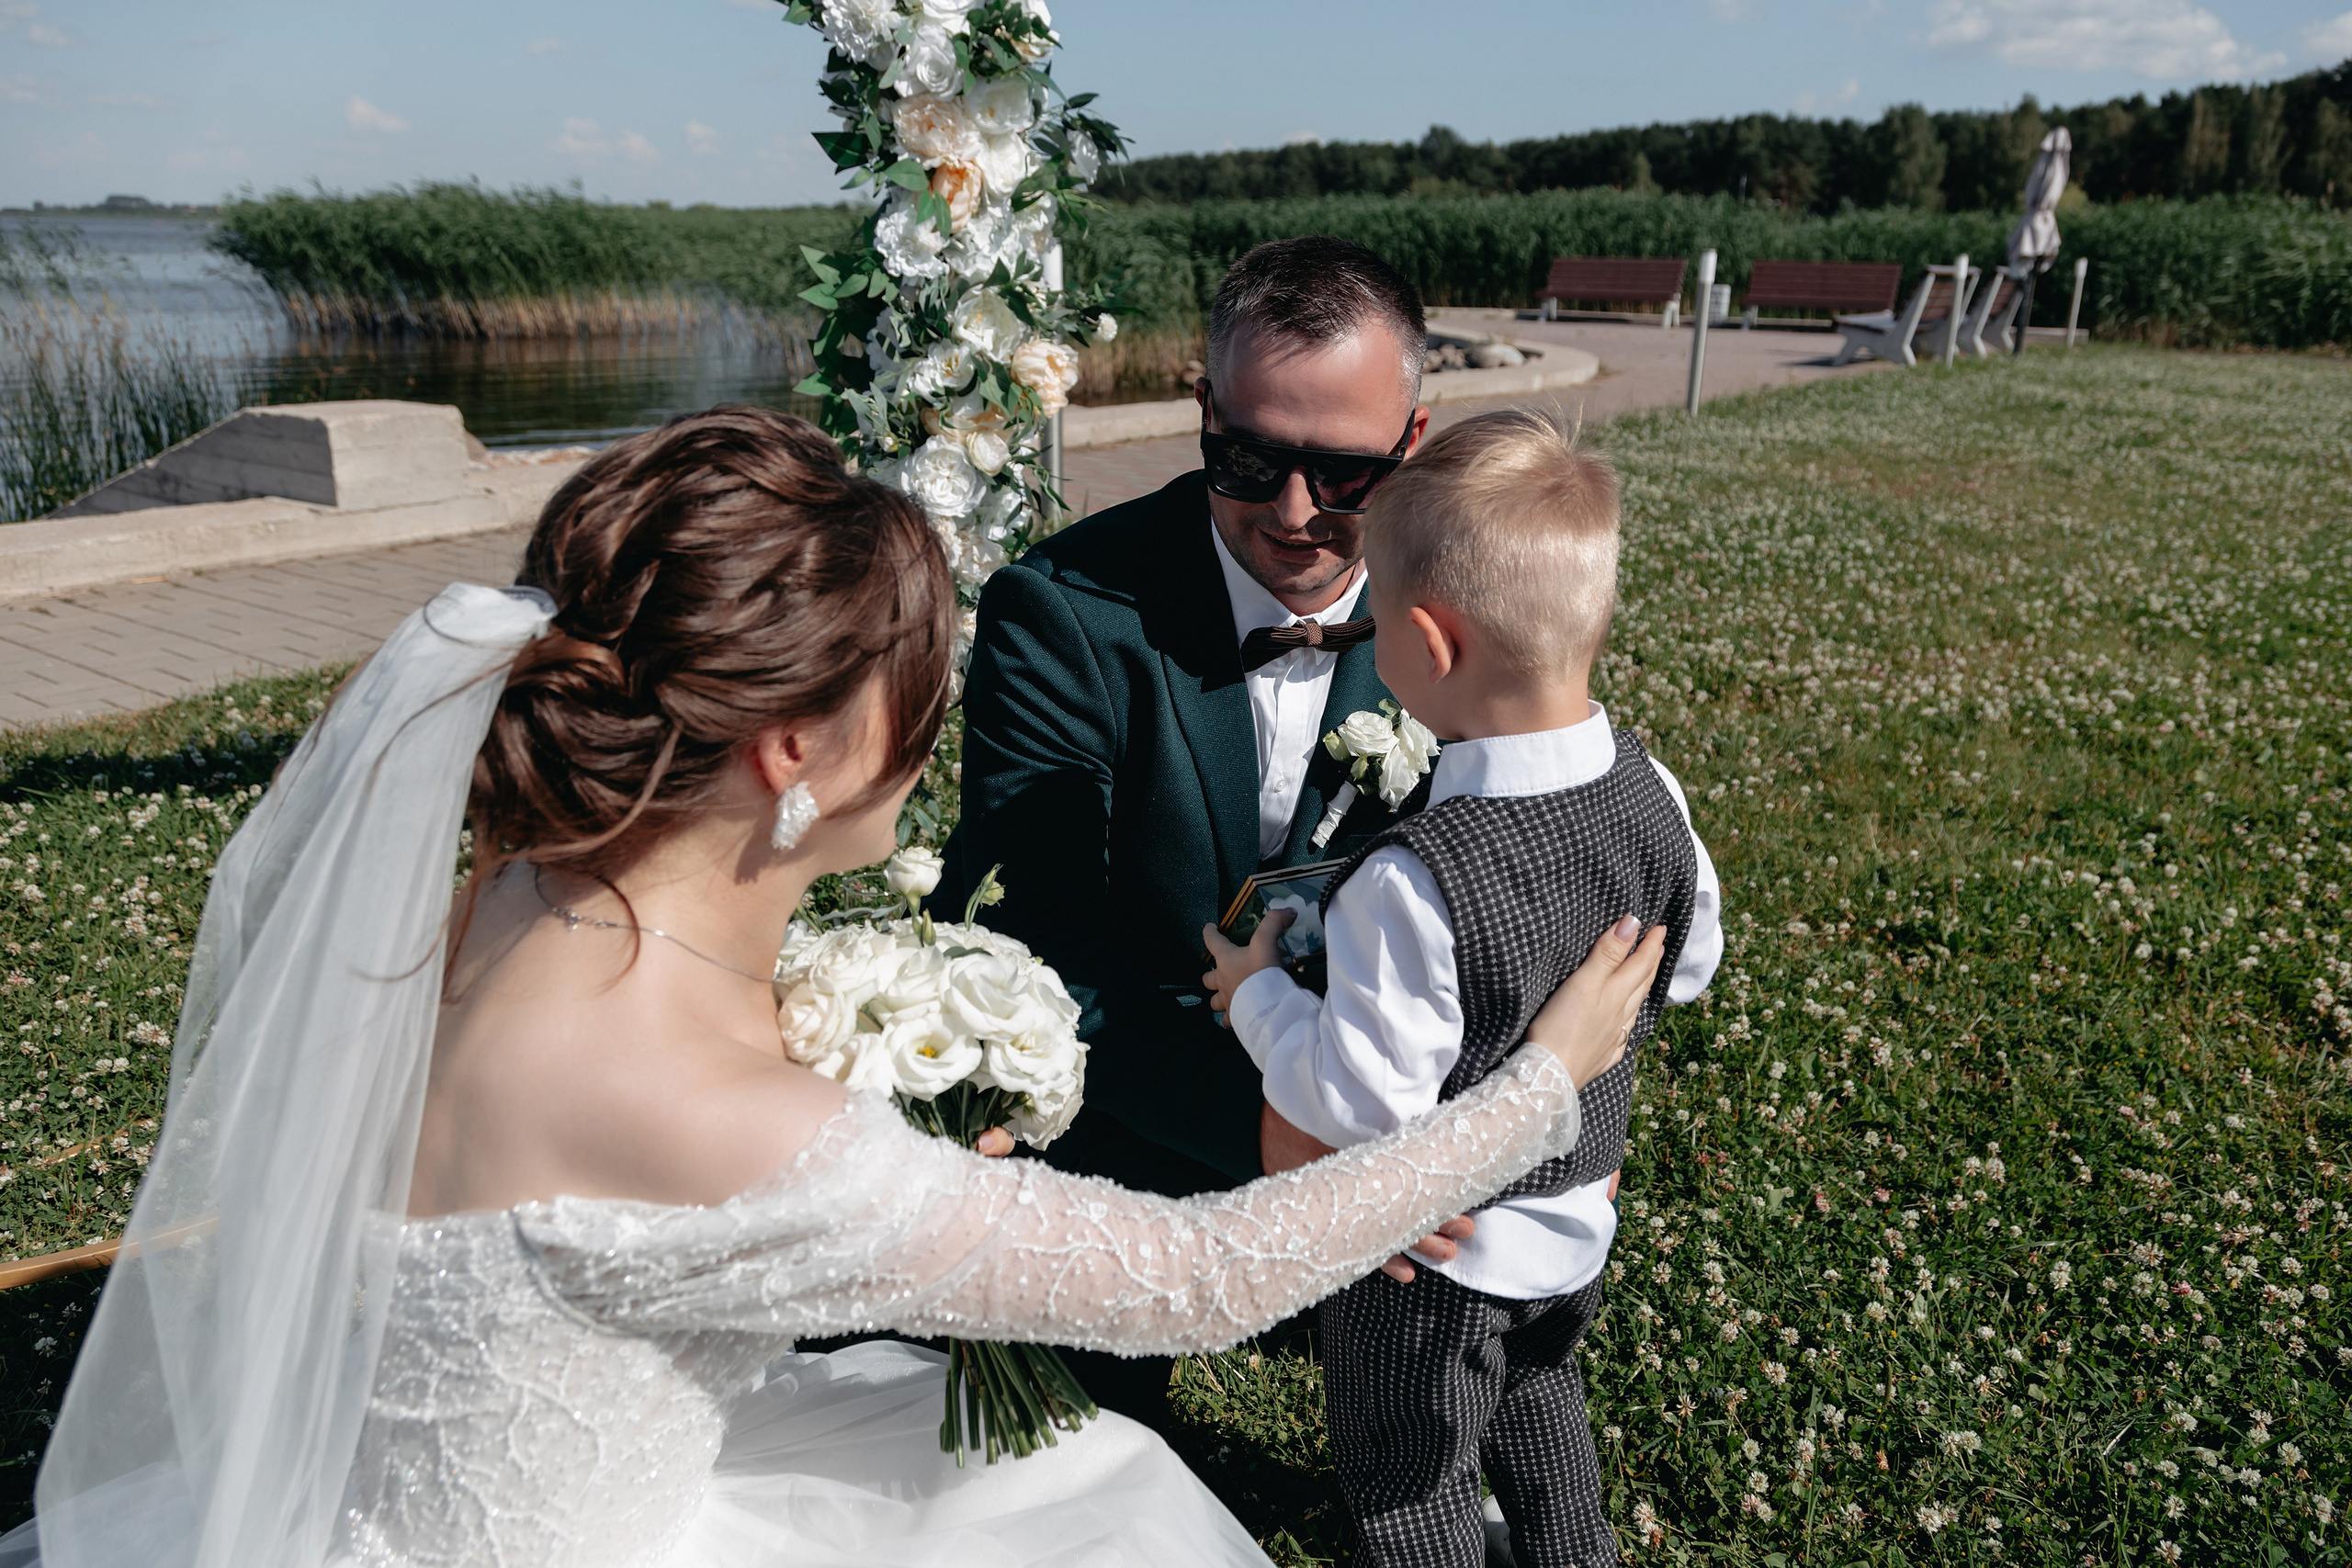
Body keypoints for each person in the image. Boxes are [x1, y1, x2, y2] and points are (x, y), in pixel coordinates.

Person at [2, 407, 1668, 1568]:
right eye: (913, 693)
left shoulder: (514, 887)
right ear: (795, 752)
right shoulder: (719, 1113)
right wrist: (1537, 1086)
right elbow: (1196, 1279)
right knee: (1090, 1492)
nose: (933, 725)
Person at [939, 236, 1456, 1426]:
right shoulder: (1062, 616)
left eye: (1343, 474)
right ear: (1202, 409)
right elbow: (1050, 965)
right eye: (1247, 455)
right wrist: (1287, 1148)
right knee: (1066, 1470)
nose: (1291, 512)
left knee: (1483, 1304)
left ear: (1413, 444)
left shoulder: (1463, 604)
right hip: (1136, 1113)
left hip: (1383, 1092)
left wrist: (1440, 1144)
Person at [1203, 411, 1723, 1568]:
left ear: (1429, 647)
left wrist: (1255, 997)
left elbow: (1358, 1102)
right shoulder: (1655, 789)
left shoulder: (1413, 879)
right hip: (1580, 1221)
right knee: (1543, 1398)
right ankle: (1571, 1553)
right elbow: (1687, 965)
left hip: (1439, 1260)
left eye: (1376, 619)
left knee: (1408, 1473)